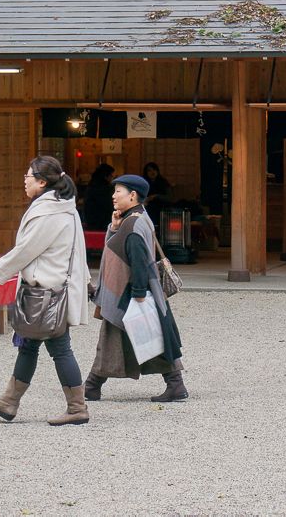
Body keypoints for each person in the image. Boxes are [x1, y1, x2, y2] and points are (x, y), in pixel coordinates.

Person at [0, 156, 91, 426]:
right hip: (51, 289)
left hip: (46, 293)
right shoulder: (64, 209)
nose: (24, 182)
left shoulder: (49, 213)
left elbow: (25, 251)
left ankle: (77, 408)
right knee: (28, 345)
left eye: (27, 177)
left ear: (41, 181)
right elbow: (77, 251)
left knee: (58, 348)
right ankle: (9, 402)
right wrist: (85, 279)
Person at [84, 174, 187, 403]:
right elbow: (118, 247)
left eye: (118, 191)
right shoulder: (136, 218)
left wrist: (140, 293)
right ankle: (175, 383)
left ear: (132, 195)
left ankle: (92, 385)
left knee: (114, 338)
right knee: (152, 335)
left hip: (129, 294)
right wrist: (113, 226)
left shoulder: (133, 223)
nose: (113, 195)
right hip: (131, 292)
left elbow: (139, 260)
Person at [83, 163, 115, 230]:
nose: (112, 178)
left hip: (91, 222)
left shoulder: (91, 185)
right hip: (103, 223)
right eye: (111, 176)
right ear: (106, 176)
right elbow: (108, 206)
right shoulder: (105, 188)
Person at [142, 162, 173, 227]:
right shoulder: (144, 183)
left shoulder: (163, 182)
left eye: (154, 170)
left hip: (162, 206)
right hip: (148, 206)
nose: (152, 172)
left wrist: (156, 196)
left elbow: (169, 197)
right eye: (149, 170)